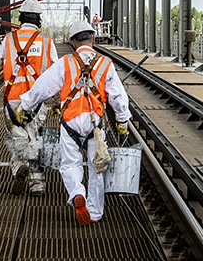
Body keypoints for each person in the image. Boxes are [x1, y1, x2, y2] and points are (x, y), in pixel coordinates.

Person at [16, 18, 133, 226]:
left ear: (72, 42)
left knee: (70, 164)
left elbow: (42, 87)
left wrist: (24, 105)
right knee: (97, 167)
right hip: (95, 122)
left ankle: (77, 193)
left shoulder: (65, 63)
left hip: (70, 121)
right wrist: (122, 119)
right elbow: (117, 96)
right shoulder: (106, 64)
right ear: (93, 39)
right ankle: (95, 213)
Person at [0, 6, 54, 194]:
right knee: (35, 139)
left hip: (13, 100)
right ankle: (37, 184)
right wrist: (58, 101)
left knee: (17, 137)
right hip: (37, 101)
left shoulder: (9, 40)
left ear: (21, 17)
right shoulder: (46, 41)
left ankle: (18, 167)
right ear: (38, 19)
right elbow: (58, 74)